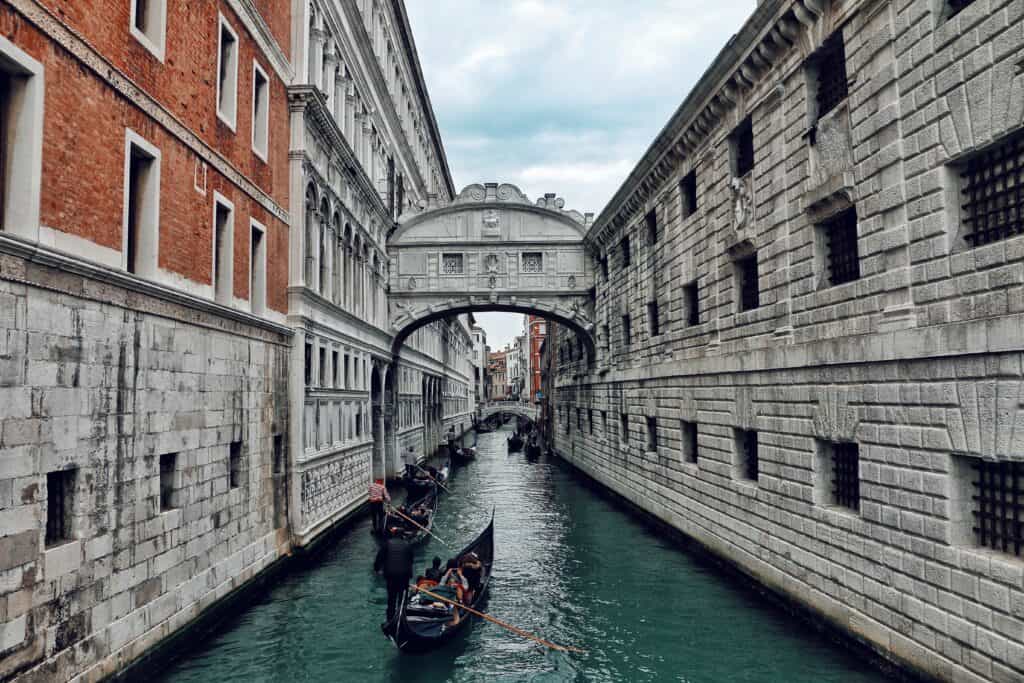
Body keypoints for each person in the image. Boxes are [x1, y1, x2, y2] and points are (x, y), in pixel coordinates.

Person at [374, 535, 414, 622]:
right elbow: (411, 560)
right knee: (402, 599)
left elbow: (379, 558)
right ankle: (401, 618)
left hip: (391, 575)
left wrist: (377, 569)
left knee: (391, 599)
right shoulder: (407, 545)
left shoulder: (387, 544)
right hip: (404, 576)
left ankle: (390, 619)